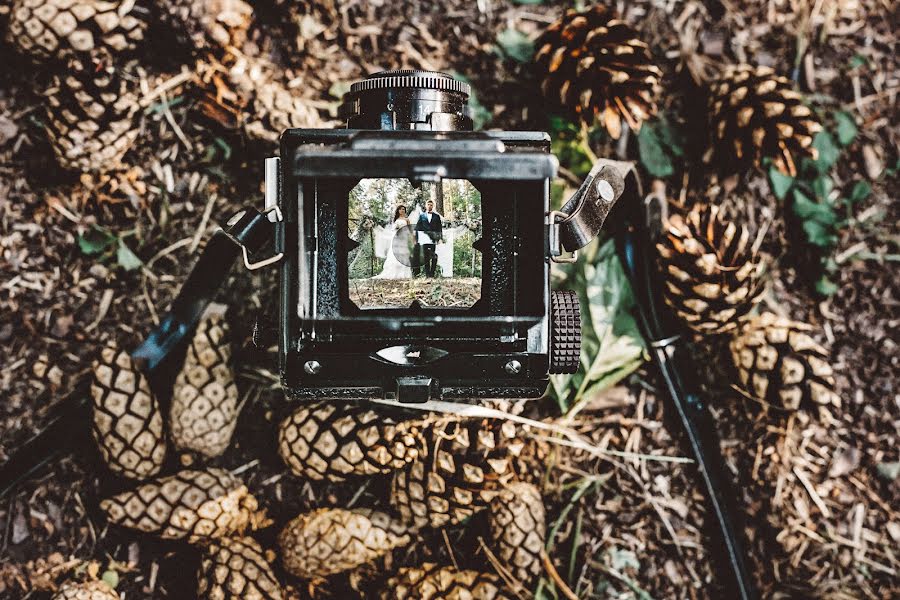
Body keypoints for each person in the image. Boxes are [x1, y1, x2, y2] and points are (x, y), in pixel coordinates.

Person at [373, 205, 413, 279]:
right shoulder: (395, 220)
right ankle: (394, 272)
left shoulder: (407, 220)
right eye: (400, 209)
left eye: (403, 209)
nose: (402, 210)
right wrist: (396, 229)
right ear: (398, 211)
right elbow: (392, 230)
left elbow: (409, 230)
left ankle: (404, 273)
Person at [415, 200, 443, 277]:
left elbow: (439, 228)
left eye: (431, 205)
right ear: (426, 206)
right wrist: (416, 239)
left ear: (433, 206)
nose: (429, 206)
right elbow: (417, 228)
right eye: (428, 205)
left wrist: (440, 238)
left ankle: (432, 273)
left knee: (433, 256)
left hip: (433, 239)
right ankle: (427, 274)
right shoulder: (422, 216)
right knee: (425, 256)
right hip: (424, 239)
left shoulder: (436, 216)